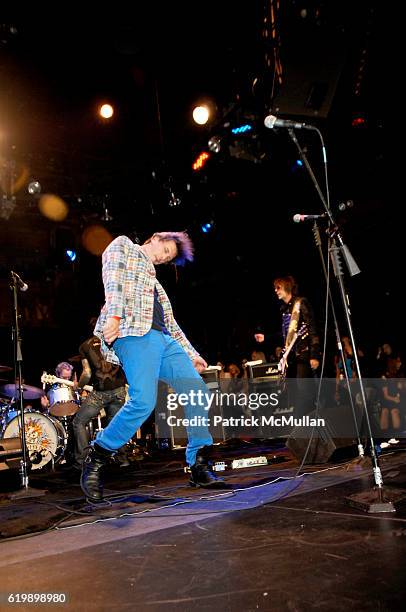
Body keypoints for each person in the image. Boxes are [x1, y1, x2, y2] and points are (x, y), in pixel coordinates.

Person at [81, 231, 226, 502]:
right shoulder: (123, 246)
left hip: (164, 341)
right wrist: (113, 315)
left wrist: (191, 353)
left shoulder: (156, 284)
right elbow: (112, 277)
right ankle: (98, 455)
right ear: (156, 237)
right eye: (166, 250)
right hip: (133, 333)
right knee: (143, 402)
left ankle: (198, 464)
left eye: (168, 258)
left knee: (196, 391)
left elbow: (171, 325)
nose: (164, 257)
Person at [72, 335, 129, 469]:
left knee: (78, 422)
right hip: (119, 390)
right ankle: (123, 458)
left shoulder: (85, 345)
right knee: (115, 424)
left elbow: (86, 373)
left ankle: (83, 460)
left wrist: (79, 387)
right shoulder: (117, 340)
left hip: (100, 393)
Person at [273, 275, 320, 416]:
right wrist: (267, 338)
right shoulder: (284, 309)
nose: (276, 291)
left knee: (304, 394)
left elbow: (312, 329)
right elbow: (286, 334)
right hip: (291, 357)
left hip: (303, 354)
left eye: (278, 287)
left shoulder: (300, 303)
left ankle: (310, 428)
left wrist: (315, 355)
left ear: (287, 287)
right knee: (295, 394)